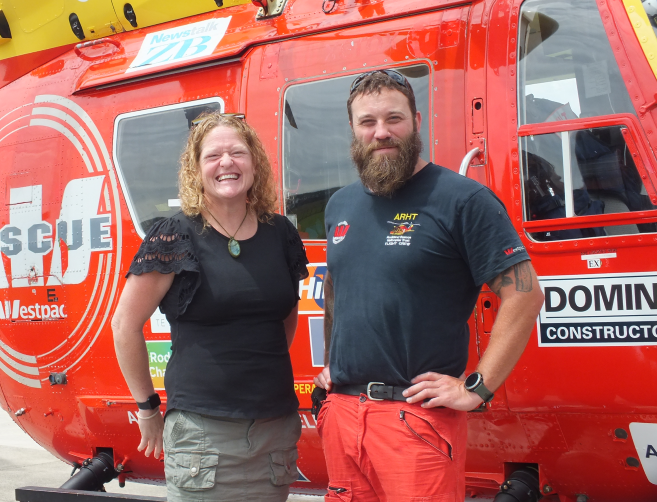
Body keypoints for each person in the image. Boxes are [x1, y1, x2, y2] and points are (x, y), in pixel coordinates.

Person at [313, 71, 545, 501]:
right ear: (353, 129)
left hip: (414, 421)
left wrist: (476, 388)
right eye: (367, 122)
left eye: (393, 119)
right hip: (343, 415)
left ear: (417, 121)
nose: (381, 133)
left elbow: (525, 294)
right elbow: (336, 292)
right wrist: (333, 362)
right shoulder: (339, 204)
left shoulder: (462, 199)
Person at [112, 112, 309, 501]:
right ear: (195, 169)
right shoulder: (174, 234)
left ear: (254, 162)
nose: (227, 163)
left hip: (275, 429)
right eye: (213, 156)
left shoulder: (281, 233)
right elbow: (124, 325)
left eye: (238, 152)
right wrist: (148, 408)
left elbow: (285, 314)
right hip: (202, 436)